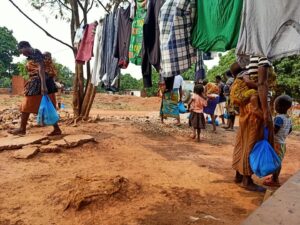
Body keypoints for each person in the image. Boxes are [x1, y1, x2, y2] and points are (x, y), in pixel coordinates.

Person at [232, 57, 274, 192]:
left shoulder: (247, 60)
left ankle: (239, 174)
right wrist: (266, 116)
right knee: (251, 144)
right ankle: (247, 180)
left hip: (246, 110)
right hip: (255, 110)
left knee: (242, 142)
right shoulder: (262, 55)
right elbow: (262, 84)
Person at [8, 41, 62, 136]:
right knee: (47, 107)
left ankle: (22, 129)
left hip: (40, 82)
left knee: (26, 105)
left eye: (21, 51)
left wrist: (43, 86)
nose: (22, 54)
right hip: (41, 82)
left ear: (25, 47)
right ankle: (56, 129)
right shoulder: (31, 56)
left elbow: (41, 68)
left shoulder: (36, 52)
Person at [263, 95, 292, 187]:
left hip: (277, 144)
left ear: (280, 107)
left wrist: (268, 129)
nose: (274, 106)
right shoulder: (288, 118)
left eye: (275, 104)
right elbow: (290, 130)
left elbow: (275, 130)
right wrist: (283, 135)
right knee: (277, 161)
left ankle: (275, 180)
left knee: (276, 162)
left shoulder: (279, 118)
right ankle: (274, 177)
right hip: (282, 143)